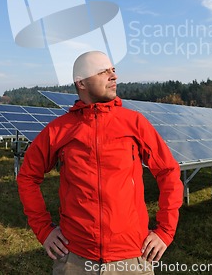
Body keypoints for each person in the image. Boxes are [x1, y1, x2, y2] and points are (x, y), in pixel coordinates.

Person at [17, 51, 183, 274]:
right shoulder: (59, 130)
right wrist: (43, 229)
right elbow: (27, 176)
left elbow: (168, 171)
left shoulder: (134, 123)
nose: (113, 76)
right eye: (103, 71)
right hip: (75, 258)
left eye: (113, 70)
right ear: (81, 83)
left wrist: (165, 230)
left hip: (132, 257)